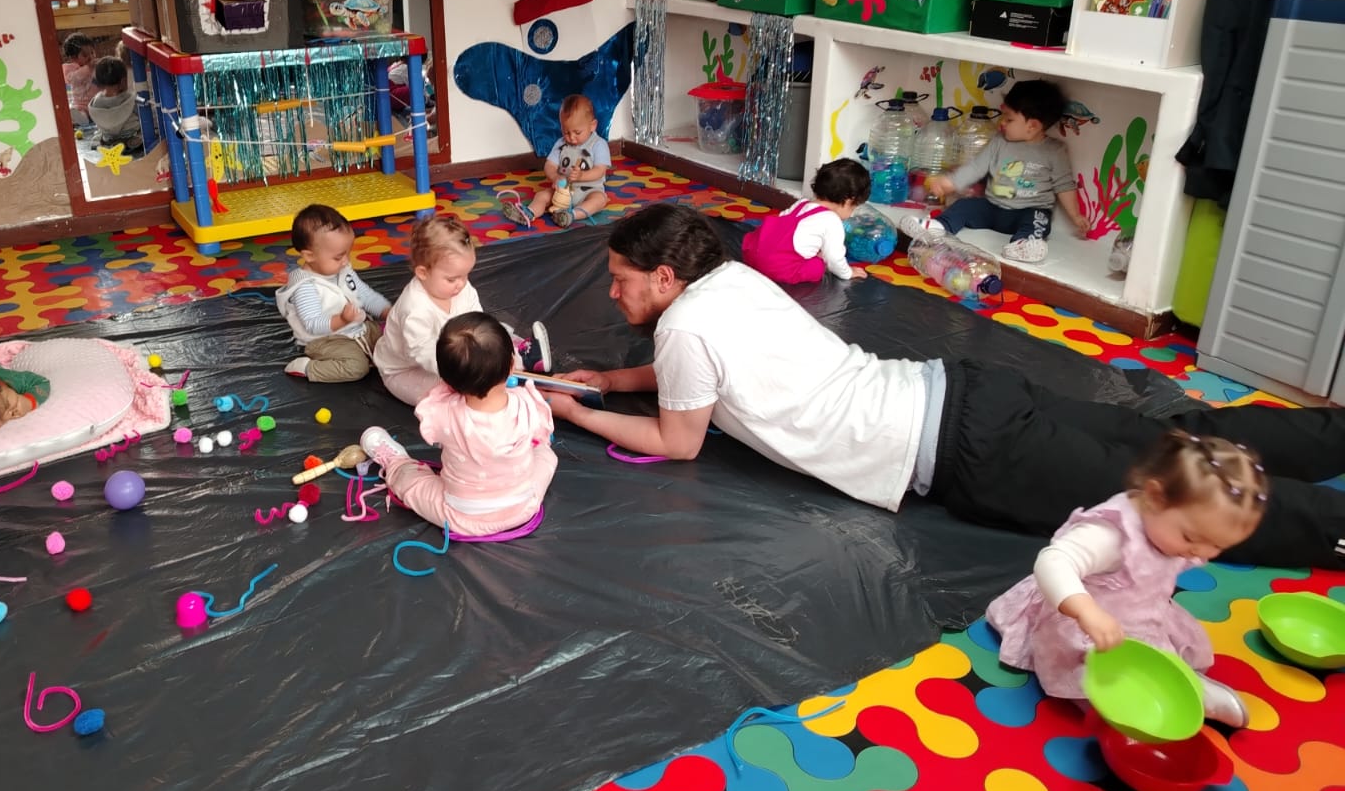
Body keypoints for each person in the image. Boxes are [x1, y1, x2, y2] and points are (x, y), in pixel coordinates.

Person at [545, 202, 1345, 570]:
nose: (612, 295)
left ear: (662, 275)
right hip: (962, 389)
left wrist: (577, 412)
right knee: (1178, 439)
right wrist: (613, 377)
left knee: (1176, 498)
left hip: (969, 449)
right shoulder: (726, 281)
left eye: (619, 281)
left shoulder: (683, 327)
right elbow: (693, 374)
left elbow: (677, 440)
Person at [986, 431, 1265, 726]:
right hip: (1083, 625)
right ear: (1155, 497)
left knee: (1176, 651)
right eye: (1192, 538)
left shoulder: (1174, 527)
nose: (1201, 554)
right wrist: (1086, 611)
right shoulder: (1112, 534)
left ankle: (1185, 683)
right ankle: (1135, 708)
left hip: (1142, 615)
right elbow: (1053, 562)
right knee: (1097, 683)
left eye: (1218, 546)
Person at [360, 312, 557, 538]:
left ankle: (396, 462)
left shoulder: (443, 412)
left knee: (411, 484)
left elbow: (431, 426)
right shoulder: (529, 403)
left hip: (462, 517)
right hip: (522, 508)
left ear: (446, 380)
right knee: (546, 455)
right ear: (512, 366)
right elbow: (542, 432)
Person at [900, 79, 1089, 264]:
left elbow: (1064, 185)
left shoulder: (1054, 151)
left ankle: (1023, 245)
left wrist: (1076, 216)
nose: (1002, 123)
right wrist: (951, 182)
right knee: (964, 206)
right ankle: (937, 227)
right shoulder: (999, 141)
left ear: (1032, 126)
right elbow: (976, 167)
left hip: (1029, 210)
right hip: (993, 207)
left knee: (1038, 222)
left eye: (1009, 119)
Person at [373, 215, 551, 406]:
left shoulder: (461, 288)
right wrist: (472, 370)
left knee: (494, 334)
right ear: (423, 273)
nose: (461, 284)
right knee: (452, 393)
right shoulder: (415, 309)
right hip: (408, 371)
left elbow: (478, 321)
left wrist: (489, 347)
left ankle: (525, 357)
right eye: (452, 279)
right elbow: (426, 357)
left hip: (456, 350)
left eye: (465, 275)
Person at [276, 205, 392, 383]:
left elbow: (365, 295)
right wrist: (342, 320)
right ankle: (307, 368)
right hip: (326, 340)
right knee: (356, 367)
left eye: (347, 253)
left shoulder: (343, 270)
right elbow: (313, 324)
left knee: (396, 340)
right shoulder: (305, 286)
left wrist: (387, 311)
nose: (346, 261)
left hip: (359, 329)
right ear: (309, 256)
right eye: (338, 257)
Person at [742, 158, 871, 285]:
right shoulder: (832, 220)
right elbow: (834, 258)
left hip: (752, 256)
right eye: (854, 208)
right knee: (818, 265)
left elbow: (780, 226)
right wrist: (848, 273)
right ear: (849, 200)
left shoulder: (802, 203)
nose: (851, 213)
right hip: (776, 268)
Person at [500, 94, 612, 228]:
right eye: (566, 132)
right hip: (562, 190)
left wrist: (582, 175)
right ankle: (528, 213)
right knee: (542, 195)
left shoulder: (599, 144)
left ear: (592, 125)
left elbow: (600, 170)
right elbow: (550, 165)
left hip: (589, 191)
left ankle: (571, 215)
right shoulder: (561, 144)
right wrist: (555, 177)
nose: (571, 137)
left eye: (577, 132)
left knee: (599, 200)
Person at [86, 57, 141, 151]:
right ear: (123, 81)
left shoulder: (95, 102)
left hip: (108, 137)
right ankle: (127, 143)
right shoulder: (129, 98)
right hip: (129, 134)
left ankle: (109, 142)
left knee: (100, 132)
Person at [61, 33, 98, 125]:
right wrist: (88, 68)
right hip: (82, 103)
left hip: (97, 102)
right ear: (73, 57)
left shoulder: (95, 66)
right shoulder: (71, 67)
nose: (91, 57)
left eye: (92, 52)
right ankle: (81, 119)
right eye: (85, 55)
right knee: (80, 112)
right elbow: (72, 79)